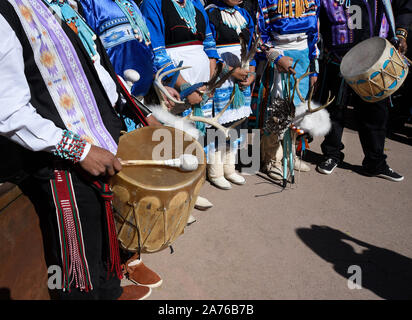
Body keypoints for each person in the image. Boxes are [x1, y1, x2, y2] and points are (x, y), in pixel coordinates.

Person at [0, 0, 155, 300]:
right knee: (76, 273)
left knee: (103, 244)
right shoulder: (6, 12)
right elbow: (8, 110)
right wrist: (80, 151)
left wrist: (139, 111)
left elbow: (95, 73)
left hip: (102, 146)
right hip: (62, 164)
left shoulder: (63, 6)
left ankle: (110, 293)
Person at [140, 0, 249, 188]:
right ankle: (175, 192)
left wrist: (210, 80)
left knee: (198, 135)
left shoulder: (195, 3)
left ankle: (192, 187)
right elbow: (156, 50)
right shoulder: (153, 4)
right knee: (175, 138)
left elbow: (209, 43)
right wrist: (185, 87)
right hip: (175, 84)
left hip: (203, 83)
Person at [316, 0, 411, 182]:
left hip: (375, 57)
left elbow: (404, 7)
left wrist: (401, 33)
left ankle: (375, 162)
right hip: (338, 55)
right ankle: (331, 154)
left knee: (375, 112)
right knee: (335, 108)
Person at [256, 0, 320, 181]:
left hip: (303, 60)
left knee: (296, 110)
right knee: (277, 111)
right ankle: (271, 158)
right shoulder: (267, 2)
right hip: (280, 59)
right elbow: (259, 38)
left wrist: (314, 68)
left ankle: (289, 154)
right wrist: (276, 58)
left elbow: (314, 36)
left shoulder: (312, 1)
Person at [205, 0, 256, 189]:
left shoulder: (244, 14)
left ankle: (230, 167)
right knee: (220, 121)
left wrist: (251, 71)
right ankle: (215, 170)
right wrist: (229, 71)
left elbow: (251, 46)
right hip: (222, 76)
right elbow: (208, 49)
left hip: (242, 74)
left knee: (238, 121)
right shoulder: (211, 13)